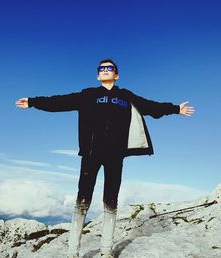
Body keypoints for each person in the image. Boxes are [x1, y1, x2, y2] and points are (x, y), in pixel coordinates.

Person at [15, 59, 195, 258]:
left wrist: (176, 109)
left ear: (116, 75)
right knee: (82, 202)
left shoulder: (126, 96)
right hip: (90, 155)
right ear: (97, 75)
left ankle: (106, 251)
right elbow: (59, 102)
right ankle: (72, 252)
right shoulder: (88, 95)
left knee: (110, 202)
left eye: (109, 68)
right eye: (101, 69)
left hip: (115, 156)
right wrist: (33, 102)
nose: (105, 70)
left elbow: (151, 107)